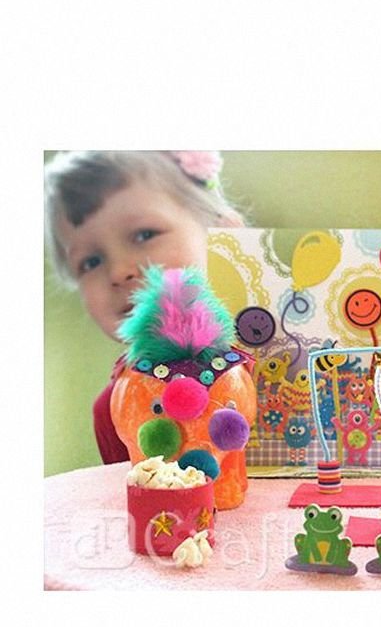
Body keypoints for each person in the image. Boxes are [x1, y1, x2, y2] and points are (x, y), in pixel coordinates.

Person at [44, 150, 246, 463]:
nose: (118, 271)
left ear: (225, 233)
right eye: (91, 261)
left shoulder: (288, 364)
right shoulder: (117, 406)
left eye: (144, 234)